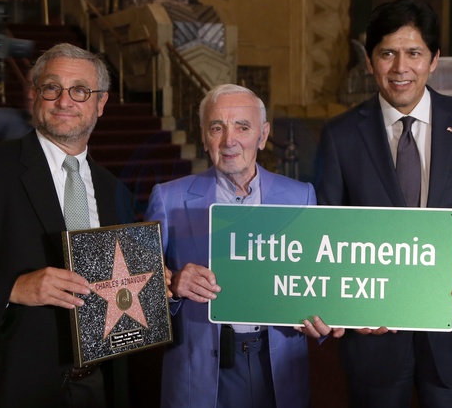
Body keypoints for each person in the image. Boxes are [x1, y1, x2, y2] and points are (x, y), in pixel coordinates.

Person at [314, 0, 452, 407]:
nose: (400, 67)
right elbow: (324, 233)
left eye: (414, 53)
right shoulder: (339, 136)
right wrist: (346, 305)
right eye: (387, 53)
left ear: (434, 59)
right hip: (373, 336)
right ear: (370, 61)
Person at [0, 43, 134, 408]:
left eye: (80, 90)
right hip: (4, 387)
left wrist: (149, 285)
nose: (65, 101)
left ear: (101, 103)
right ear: (35, 94)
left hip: (94, 387)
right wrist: (14, 288)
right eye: (52, 87)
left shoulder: (114, 191)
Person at [145, 83, 340, 408]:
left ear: (263, 135)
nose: (229, 140)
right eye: (216, 128)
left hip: (278, 367)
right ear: (204, 137)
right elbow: (139, 294)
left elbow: (317, 280)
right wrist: (174, 285)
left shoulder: (301, 196)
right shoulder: (168, 198)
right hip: (201, 373)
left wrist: (325, 318)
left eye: (242, 127)